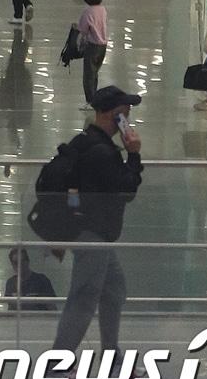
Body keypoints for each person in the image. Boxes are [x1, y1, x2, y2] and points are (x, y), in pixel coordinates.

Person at [52, 85, 144, 358]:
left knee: (113, 290)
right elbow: (127, 191)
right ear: (111, 114)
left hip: (92, 233)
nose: (127, 115)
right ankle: (57, 362)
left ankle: (111, 355)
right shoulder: (103, 153)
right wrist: (134, 154)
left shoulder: (86, 142)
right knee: (83, 299)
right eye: (123, 112)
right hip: (92, 235)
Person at [76, 0, 108, 102]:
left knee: (88, 76)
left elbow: (83, 30)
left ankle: (90, 101)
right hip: (103, 46)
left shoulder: (87, 12)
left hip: (92, 46)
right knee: (94, 74)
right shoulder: (103, 10)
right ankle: (95, 97)